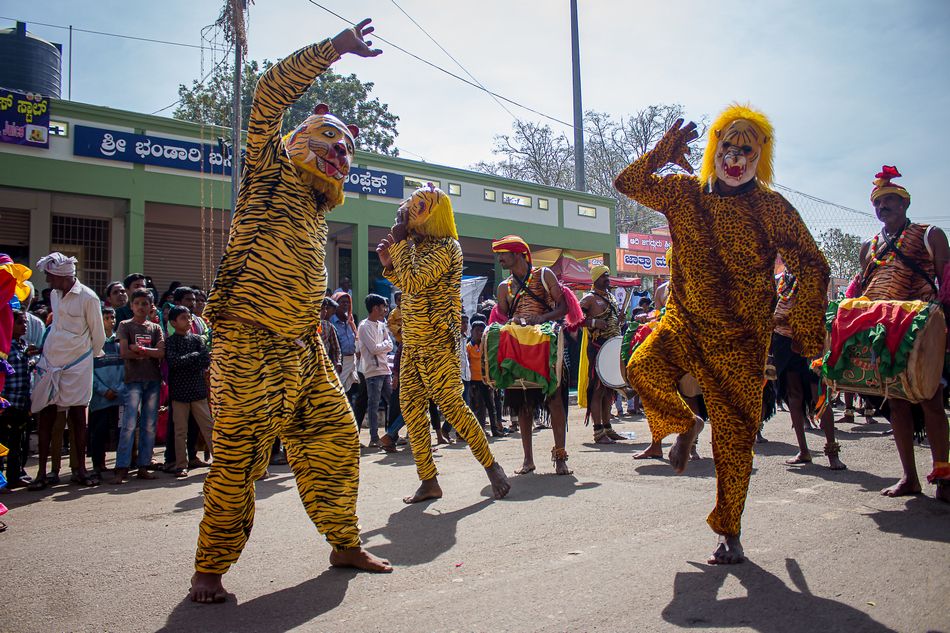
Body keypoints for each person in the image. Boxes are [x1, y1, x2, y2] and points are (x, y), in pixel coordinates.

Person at [189, 21, 391, 605]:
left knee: (336, 434)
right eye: (332, 140)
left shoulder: (314, 205)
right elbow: (269, 95)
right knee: (239, 458)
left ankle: (343, 541)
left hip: (301, 348)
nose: (341, 153)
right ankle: (209, 571)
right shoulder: (269, 170)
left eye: (346, 148)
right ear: (301, 142)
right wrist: (334, 49)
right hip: (247, 342)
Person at [615, 105, 830, 564]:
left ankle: (729, 531)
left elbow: (812, 263)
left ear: (760, 158)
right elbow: (626, 184)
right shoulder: (682, 192)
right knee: (639, 367)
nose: (735, 159)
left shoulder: (772, 207)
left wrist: (807, 330)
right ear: (714, 149)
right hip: (683, 323)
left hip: (739, 342)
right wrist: (662, 152)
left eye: (746, 152)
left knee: (734, 440)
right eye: (727, 148)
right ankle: (684, 423)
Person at [378, 184, 510, 503]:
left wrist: (396, 242)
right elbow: (407, 284)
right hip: (413, 342)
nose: (406, 212)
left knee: (452, 405)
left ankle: (492, 467)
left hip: (438, 339)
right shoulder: (414, 246)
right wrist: (389, 262)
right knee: (411, 409)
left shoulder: (447, 247)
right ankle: (429, 480)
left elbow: (414, 280)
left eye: (412, 209)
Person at [856, 166, 949, 501]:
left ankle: (944, 476)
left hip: (922, 330)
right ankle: (910, 478)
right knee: (896, 405)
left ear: (905, 204)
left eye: (892, 200)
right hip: (883, 331)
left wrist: (946, 332)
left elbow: (947, 285)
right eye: (879, 202)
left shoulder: (930, 234)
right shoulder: (869, 245)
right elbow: (861, 287)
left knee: (932, 401)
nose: (885, 206)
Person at [492, 236, 572, 475]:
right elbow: (504, 317)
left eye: (503, 253)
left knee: (554, 399)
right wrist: (511, 320)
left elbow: (564, 308)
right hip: (519, 347)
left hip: (547, 344)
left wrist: (542, 318)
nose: (500, 258)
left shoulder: (544, 275)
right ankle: (528, 460)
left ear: (517, 253)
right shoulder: (503, 286)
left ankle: (560, 458)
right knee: (522, 403)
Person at [29, 253, 105, 489]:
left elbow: (98, 336)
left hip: (78, 365)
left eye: (51, 276)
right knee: (47, 414)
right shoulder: (54, 294)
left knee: (77, 416)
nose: (48, 281)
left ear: (64, 276)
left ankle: (81, 471)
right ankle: (41, 473)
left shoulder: (88, 298)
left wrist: (81, 361)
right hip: (51, 362)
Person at [771, 270, 844, 470]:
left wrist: (818, 347)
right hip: (783, 342)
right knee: (793, 395)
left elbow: (822, 308)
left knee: (820, 395)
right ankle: (803, 451)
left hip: (809, 341)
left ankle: (832, 452)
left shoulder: (811, 272)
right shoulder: (782, 278)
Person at [110, 289, 164, 484]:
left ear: (151, 306)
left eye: (145, 303)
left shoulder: (155, 328)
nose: (141, 307)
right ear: (131, 305)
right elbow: (124, 353)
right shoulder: (125, 325)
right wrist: (148, 352)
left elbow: (161, 353)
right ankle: (122, 467)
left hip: (153, 380)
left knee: (149, 425)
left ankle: (143, 465)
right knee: (129, 425)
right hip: (133, 380)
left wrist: (139, 349)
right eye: (137, 303)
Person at [578, 265, 626, 444]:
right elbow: (575, 319)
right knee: (598, 389)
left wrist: (620, 320)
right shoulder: (589, 299)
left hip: (612, 348)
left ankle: (607, 427)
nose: (608, 278)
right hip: (597, 348)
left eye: (608, 275)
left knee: (609, 389)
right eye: (604, 276)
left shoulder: (611, 297)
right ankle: (598, 431)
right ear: (596, 279)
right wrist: (593, 322)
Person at [165, 306, 214, 478]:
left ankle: (220, 462)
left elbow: (205, 359)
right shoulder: (170, 342)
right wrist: (194, 357)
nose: (189, 321)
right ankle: (181, 465)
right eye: (183, 318)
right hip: (179, 393)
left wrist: (187, 358)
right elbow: (174, 363)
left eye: (189, 317)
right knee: (180, 431)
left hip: (198, 391)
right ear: (173, 322)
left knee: (208, 427)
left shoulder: (197, 339)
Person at [1, 310, 39, 492]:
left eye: (25, 322)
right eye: (19, 323)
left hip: (22, 402)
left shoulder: (24, 346)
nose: (24, 326)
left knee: (18, 442)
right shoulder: (5, 347)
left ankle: (15, 476)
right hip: (7, 403)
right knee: (2, 443)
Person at [89, 306, 125, 476]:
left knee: (120, 430)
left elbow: (127, 369)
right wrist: (103, 390)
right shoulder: (92, 343)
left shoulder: (120, 342)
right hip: (100, 397)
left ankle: (121, 463)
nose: (111, 321)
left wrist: (120, 389)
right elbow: (89, 373)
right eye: (107, 318)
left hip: (119, 395)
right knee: (98, 431)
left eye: (113, 317)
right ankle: (97, 464)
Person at [357, 294, 393, 447]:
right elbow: (372, 348)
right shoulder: (364, 326)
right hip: (372, 370)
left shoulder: (381, 325)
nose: (384, 310)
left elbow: (389, 344)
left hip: (385, 369)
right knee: (373, 403)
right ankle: (374, 438)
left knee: (392, 401)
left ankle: (390, 434)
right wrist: (383, 346)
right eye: (381, 307)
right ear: (374, 308)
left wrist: (381, 347)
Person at [467, 318, 505, 437]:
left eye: (481, 331)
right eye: (477, 331)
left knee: (491, 406)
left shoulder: (487, 346)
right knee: (478, 407)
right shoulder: (468, 347)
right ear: (472, 331)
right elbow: (468, 365)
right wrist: (470, 385)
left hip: (486, 380)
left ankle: (495, 430)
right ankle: (481, 430)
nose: (479, 333)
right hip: (475, 381)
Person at [331, 292, 359, 393]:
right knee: (337, 390)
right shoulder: (331, 321)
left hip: (351, 361)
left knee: (349, 391)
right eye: (342, 302)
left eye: (347, 302)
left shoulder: (350, 320)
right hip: (339, 362)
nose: (345, 305)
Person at [320, 297, 343, 376]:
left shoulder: (327, 326)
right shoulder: (305, 327)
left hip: (325, 369)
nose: (325, 312)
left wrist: (337, 364)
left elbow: (335, 349)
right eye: (321, 309)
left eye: (325, 308)